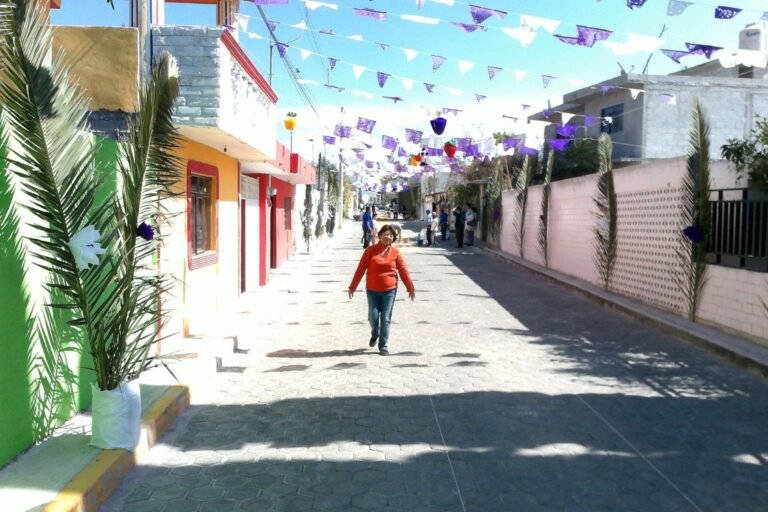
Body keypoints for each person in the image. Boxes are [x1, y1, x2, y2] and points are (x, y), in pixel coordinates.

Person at [348, 224, 416, 356]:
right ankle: (375, 333)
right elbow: (360, 269)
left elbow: (403, 271)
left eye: (391, 235)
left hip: (389, 291)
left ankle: (383, 345)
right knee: (373, 317)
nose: (388, 237)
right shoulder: (370, 251)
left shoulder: (396, 253)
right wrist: (352, 287)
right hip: (372, 290)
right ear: (380, 236)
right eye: (386, 235)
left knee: (385, 318)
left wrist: (410, 288)